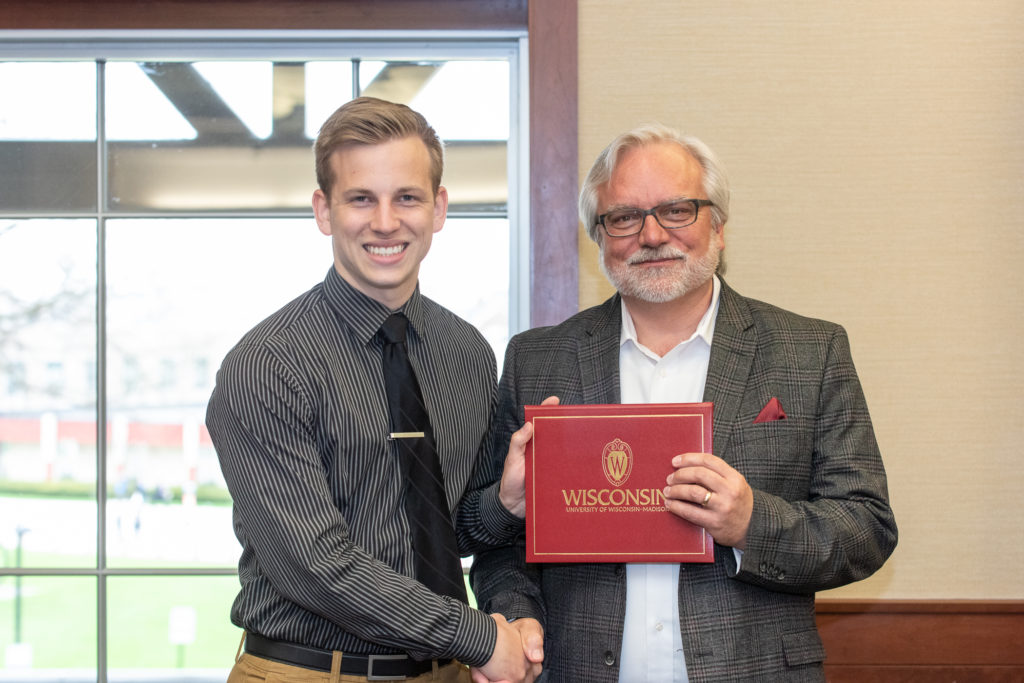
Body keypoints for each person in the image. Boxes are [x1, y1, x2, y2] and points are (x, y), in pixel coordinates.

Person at [467, 124, 898, 682]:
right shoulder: (537, 360)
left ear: (718, 227)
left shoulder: (810, 351)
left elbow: (867, 527)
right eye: (623, 216)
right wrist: (518, 615)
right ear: (598, 236)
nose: (650, 235)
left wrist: (750, 523)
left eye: (677, 210)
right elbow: (497, 543)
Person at [206, 97, 542, 683]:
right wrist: (479, 636)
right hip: (310, 672)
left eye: (406, 197)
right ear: (324, 210)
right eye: (361, 198)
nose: (385, 222)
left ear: (438, 208)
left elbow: (439, 531)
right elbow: (315, 566)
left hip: (448, 671)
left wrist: (504, 504)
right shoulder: (265, 366)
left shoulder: (465, 353)